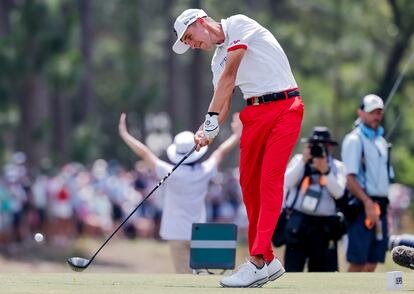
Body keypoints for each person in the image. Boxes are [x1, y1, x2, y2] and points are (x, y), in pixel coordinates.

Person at [172, 8, 304, 287]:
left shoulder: (239, 24)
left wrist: (210, 119)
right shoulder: (215, 62)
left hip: (285, 107)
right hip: (254, 114)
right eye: (186, 42)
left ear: (199, 21)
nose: (190, 43)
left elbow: (231, 74)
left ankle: (256, 260)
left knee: (269, 180)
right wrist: (205, 131)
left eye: (188, 36)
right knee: (248, 183)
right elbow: (222, 102)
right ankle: (268, 261)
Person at [118, 112, 242, 273]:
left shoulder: (169, 171)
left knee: (185, 279)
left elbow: (144, 153)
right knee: (201, 277)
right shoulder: (205, 170)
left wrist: (125, 134)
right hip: (199, 232)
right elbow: (221, 152)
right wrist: (237, 135)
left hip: (176, 232)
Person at [283, 126, 346, 272]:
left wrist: (325, 171)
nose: (318, 149)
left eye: (323, 145)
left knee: (323, 273)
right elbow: (286, 182)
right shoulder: (299, 160)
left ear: (330, 147)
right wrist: (303, 161)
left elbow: (339, 192)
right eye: (314, 145)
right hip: (299, 224)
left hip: (324, 227)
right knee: (292, 270)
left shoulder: (337, 167)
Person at [341, 94, 393, 272]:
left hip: (381, 206)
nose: (376, 116)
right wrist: (367, 203)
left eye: (379, 112)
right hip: (362, 206)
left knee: (373, 261)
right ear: (361, 113)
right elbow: (350, 178)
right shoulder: (354, 140)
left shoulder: (381, 141)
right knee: (358, 261)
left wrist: (382, 207)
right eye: (372, 112)